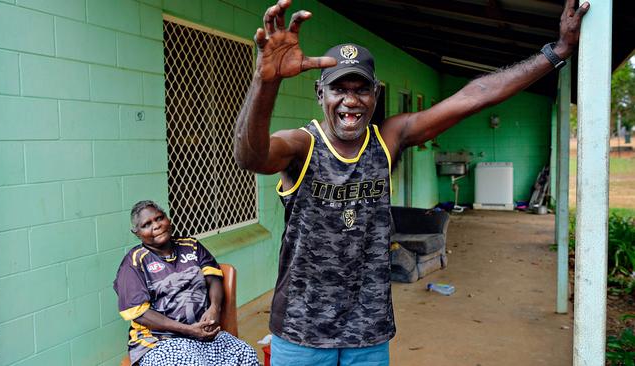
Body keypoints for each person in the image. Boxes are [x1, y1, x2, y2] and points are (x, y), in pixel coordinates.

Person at [234, 0, 589, 364]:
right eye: (339, 89)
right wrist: (266, 81)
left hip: (367, 328)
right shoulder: (303, 144)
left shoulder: (388, 138)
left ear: (375, 96)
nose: (350, 101)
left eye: (362, 89)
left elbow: (474, 96)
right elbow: (251, 157)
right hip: (301, 328)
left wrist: (556, 52)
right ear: (320, 94)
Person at [113, 200, 259, 366]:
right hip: (159, 342)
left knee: (245, 354)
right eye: (147, 224)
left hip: (204, 333)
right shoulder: (134, 263)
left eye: (159, 218)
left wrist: (214, 308)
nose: (157, 225)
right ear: (137, 233)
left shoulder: (191, 246)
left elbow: (214, 278)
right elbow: (140, 313)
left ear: (168, 219)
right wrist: (188, 330)